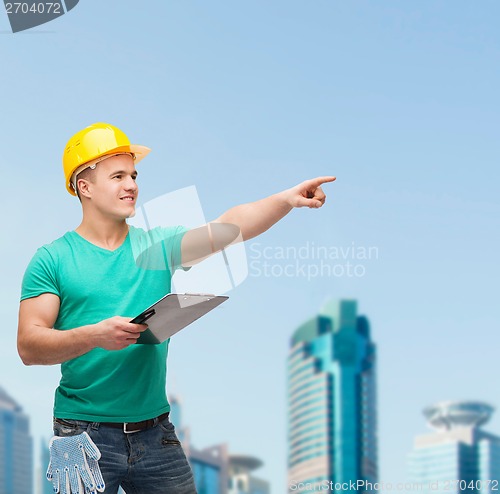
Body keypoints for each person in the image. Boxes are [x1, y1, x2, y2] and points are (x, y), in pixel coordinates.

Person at [17, 122, 335, 494]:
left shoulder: (158, 247)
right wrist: (95, 335)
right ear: (84, 187)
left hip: (156, 434)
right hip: (81, 436)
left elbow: (229, 226)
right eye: (118, 175)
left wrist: (286, 199)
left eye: (133, 175)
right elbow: (29, 345)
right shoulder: (52, 259)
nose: (132, 184)